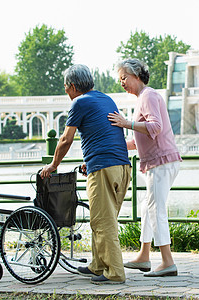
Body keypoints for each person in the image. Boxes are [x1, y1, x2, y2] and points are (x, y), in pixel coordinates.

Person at [40, 64, 131, 284]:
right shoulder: (105, 99)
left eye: (65, 87)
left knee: (103, 222)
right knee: (103, 219)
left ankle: (115, 273)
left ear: (72, 86)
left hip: (104, 168)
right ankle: (98, 265)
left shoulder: (79, 102)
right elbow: (104, 132)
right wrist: (88, 161)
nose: (65, 91)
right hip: (122, 167)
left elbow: (65, 139)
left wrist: (52, 165)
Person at [108, 58, 182, 277]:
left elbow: (155, 127)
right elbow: (139, 138)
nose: (121, 82)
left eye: (124, 77)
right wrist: (114, 144)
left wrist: (126, 123)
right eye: (119, 79)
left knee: (155, 209)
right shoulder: (144, 97)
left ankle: (167, 261)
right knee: (147, 207)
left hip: (161, 161)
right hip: (159, 162)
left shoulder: (148, 96)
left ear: (136, 76)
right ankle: (144, 256)